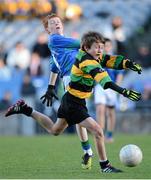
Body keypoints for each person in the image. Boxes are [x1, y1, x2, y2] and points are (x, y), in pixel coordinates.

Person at [5, 31, 142, 173]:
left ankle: (25, 109)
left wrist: (128, 64)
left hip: (71, 99)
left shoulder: (92, 56)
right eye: (97, 47)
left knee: (54, 130)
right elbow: (104, 81)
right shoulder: (86, 60)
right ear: (86, 48)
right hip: (74, 103)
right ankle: (105, 166)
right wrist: (124, 92)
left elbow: (110, 60)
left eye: (101, 47)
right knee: (98, 131)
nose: (100, 50)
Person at [41, 13, 93, 169]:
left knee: (57, 128)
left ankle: (87, 152)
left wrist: (50, 87)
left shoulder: (60, 46)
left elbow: (54, 67)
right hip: (72, 80)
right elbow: (81, 44)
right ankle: (92, 152)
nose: (56, 23)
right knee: (81, 117)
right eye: (52, 23)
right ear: (48, 29)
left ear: (62, 25)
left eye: (58, 21)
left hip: (78, 79)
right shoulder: (55, 40)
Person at [94, 38, 124, 142]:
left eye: (107, 46)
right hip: (100, 86)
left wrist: (117, 88)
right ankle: (100, 133)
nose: (106, 48)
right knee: (100, 109)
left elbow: (120, 75)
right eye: (103, 46)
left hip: (112, 87)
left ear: (111, 47)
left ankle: (110, 134)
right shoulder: (97, 59)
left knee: (110, 112)